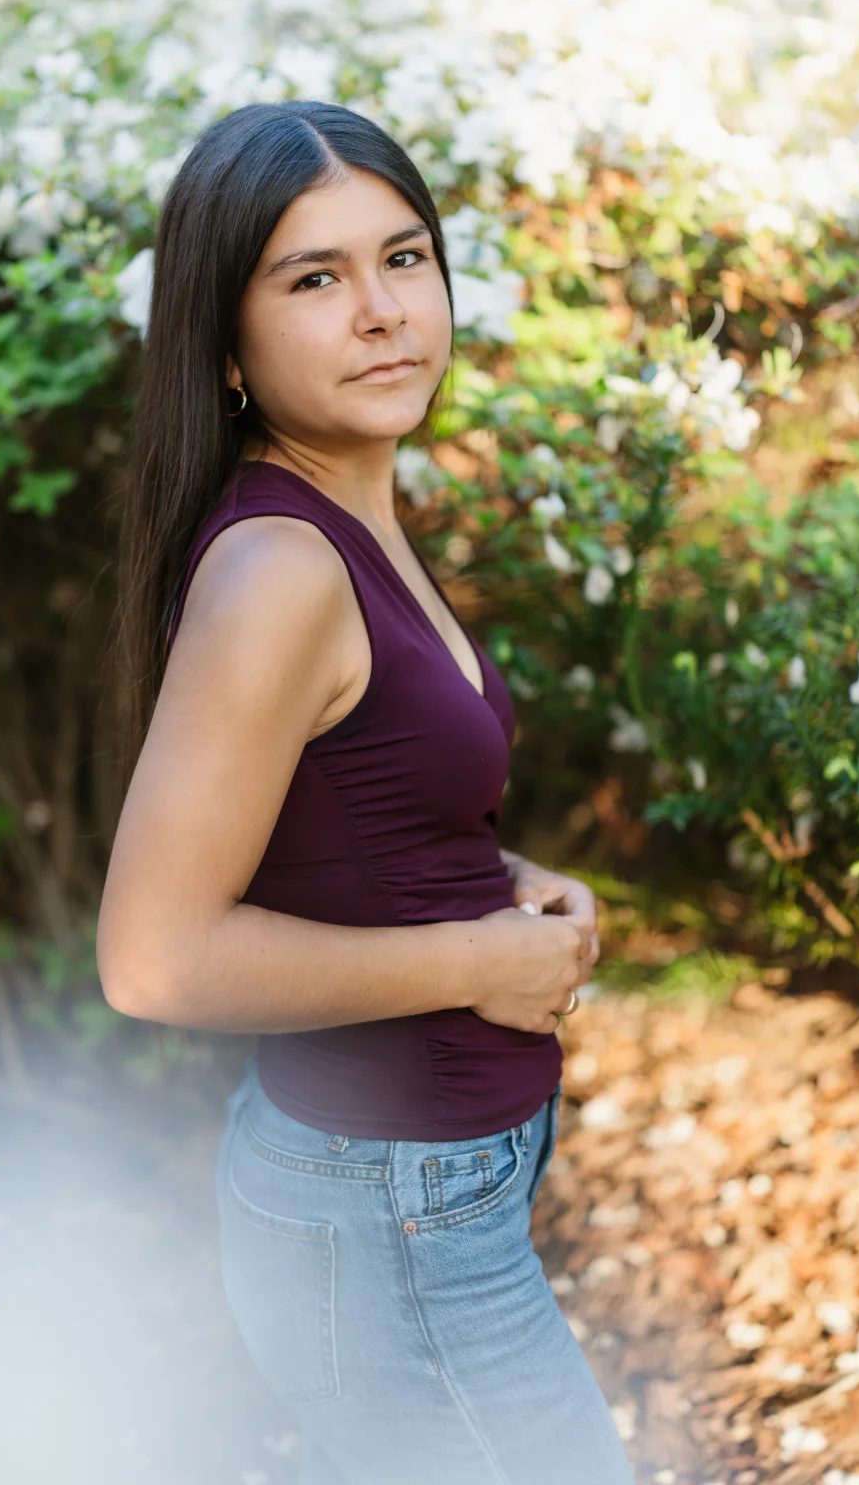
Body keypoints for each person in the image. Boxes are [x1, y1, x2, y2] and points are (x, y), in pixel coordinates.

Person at [97, 100, 635, 1485]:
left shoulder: (350, 511)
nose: (385, 311)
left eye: (404, 258)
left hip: (413, 1193)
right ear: (226, 343)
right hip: (387, 1207)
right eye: (316, 278)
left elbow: (345, 817)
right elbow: (153, 956)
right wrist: (476, 954)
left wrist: (502, 889)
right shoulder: (281, 571)